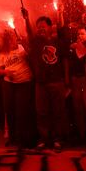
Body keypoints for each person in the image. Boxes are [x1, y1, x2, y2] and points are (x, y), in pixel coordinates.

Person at [21, 8, 69, 152]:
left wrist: (66, 81)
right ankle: (43, 139)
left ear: (50, 27)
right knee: (42, 112)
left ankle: (57, 140)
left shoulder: (58, 42)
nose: (40, 28)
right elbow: (29, 34)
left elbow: (65, 61)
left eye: (43, 25)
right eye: (38, 26)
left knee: (58, 112)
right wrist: (27, 19)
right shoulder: (36, 42)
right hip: (41, 84)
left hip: (57, 82)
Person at [0, 30, 34, 149]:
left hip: (24, 83)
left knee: (22, 111)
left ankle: (24, 139)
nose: (11, 40)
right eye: (9, 38)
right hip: (9, 84)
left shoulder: (22, 48)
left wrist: (24, 43)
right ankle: (12, 138)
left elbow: (31, 55)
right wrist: (6, 72)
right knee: (10, 110)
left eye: (12, 37)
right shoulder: (3, 53)